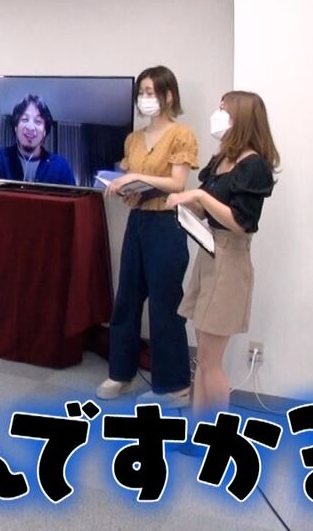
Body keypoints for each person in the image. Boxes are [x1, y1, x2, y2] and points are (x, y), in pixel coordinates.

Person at [166, 91, 278, 413]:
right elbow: (207, 209)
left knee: (211, 361)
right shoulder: (222, 159)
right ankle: (199, 425)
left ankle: (213, 428)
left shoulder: (254, 166)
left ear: (241, 119)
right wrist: (186, 205)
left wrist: (198, 197)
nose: (217, 117)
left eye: (224, 111)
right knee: (203, 357)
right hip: (209, 251)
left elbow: (242, 222)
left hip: (230, 260)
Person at [96, 67, 199, 407]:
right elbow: (137, 186)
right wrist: (129, 191)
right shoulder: (134, 139)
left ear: (169, 95)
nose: (144, 98)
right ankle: (121, 372)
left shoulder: (181, 134)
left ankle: (175, 385)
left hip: (166, 225)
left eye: (151, 92)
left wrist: (133, 178)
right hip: (138, 221)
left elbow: (177, 183)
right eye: (141, 92)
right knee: (126, 298)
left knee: (165, 304)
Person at [0, 94, 76, 185]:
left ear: (44, 132)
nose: (30, 127)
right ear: (16, 128)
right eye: (25, 119)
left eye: (38, 121)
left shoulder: (61, 166)